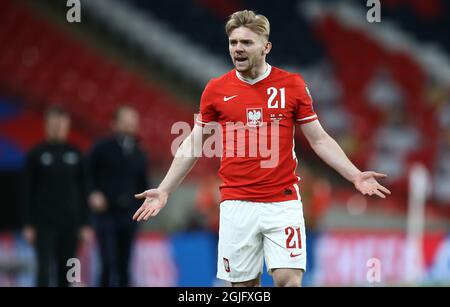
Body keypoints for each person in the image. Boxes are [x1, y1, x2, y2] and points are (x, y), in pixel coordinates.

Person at [132, 10, 391, 287]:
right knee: (244, 288)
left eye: (246, 43)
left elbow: (319, 139)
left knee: (288, 280)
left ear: (265, 47)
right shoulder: (216, 90)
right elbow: (194, 143)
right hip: (236, 204)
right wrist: (165, 189)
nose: (238, 49)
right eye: (233, 43)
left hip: (282, 201)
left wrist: (354, 174)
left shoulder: (292, 85)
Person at [22, 106, 92, 287]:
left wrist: (86, 224)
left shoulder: (76, 154)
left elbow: (85, 191)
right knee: (44, 272)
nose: (58, 127)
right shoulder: (36, 154)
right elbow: (27, 191)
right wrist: (28, 224)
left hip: (71, 223)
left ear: (67, 126)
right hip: (44, 224)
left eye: (62, 124)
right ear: (46, 125)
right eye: (54, 124)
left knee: (68, 273)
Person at [88, 105, 149, 287]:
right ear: (115, 123)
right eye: (126, 120)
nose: (131, 124)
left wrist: (143, 206)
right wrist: (93, 193)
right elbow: (87, 174)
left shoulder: (139, 152)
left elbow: (142, 183)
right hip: (106, 213)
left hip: (128, 214)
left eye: (133, 120)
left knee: (124, 264)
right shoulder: (101, 147)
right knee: (108, 262)